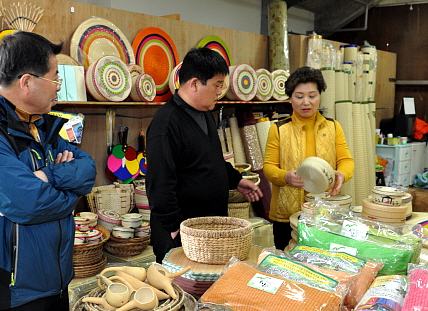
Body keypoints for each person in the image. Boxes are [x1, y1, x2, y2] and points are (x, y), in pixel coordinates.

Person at [0, 31, 96, 311]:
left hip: (56, 281)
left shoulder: (41, 124)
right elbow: (27, 203)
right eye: (55, 77)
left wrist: (49, 176)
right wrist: (68, 192)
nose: (58, 87)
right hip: (13, 292)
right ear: (27, 82)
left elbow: (87, 169)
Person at [145, 47, 263, 263]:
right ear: (195, 84)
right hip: (182, 234)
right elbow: (159, 184)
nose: (220, 91)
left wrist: (236, 180)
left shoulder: (205, 115)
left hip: (209, 229)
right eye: (217, 85)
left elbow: (210, 160)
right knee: (183, 291)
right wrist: (174, 228)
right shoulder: (166, 124)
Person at [263, 66, 354, 250]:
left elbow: (346, 160)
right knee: (286, 263)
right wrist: (285, 177)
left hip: (324, 212)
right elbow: (269, 167)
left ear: (320, 96)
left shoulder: (333, 127)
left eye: (312, 96)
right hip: (286, 214)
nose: (306, 102)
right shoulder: (279, 129)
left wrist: (343, 174)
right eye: (299, 96)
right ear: (290, 98)